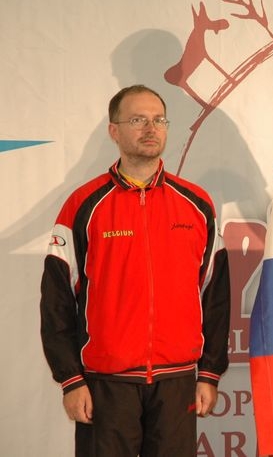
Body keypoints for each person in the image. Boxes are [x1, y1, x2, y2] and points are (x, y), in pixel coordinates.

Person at [40, 84, 231, 457]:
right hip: (104, 387)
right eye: (138, 120)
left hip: (177, 384)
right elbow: (56, 302)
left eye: (158, 120)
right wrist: (70, 379)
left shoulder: (196, 204)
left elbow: (215, 295)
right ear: (114, 130)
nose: (151, 128)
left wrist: (209, 372)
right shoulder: (84, 205)